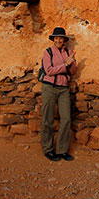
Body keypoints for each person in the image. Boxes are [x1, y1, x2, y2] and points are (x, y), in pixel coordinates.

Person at [40, 27, 77, 161]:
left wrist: (71, 62)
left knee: (66, 119)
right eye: (56, 38)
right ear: (53, 39)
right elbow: (48, 70)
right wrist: (65, 65)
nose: (58, 40)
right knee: (47, 119)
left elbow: (72, 71)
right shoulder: (48, 52)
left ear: (64, 40)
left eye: (60, 38)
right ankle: (48, 149)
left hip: (64, 89)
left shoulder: (69, 52)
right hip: (49, 88)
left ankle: (62, 149)